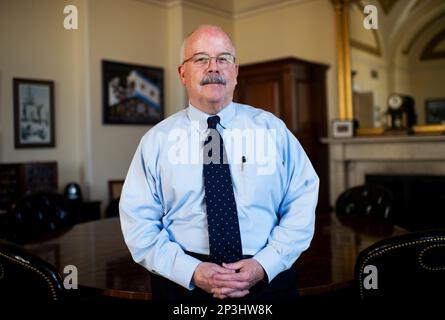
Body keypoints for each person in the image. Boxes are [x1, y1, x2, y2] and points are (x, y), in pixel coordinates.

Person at [119, 25, 319, 301]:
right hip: (183, 285)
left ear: (235, 72)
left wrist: (265, 263)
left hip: (268, 281)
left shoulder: (273, 131)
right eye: (201, 59)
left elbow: (303, 200)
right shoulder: (156, 141)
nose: (214, 67)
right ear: (183, 73)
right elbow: (138, 223)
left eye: (224, 58)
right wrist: (190, 270)